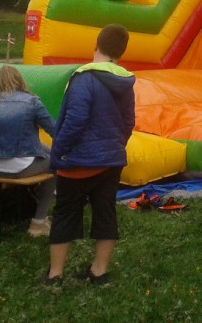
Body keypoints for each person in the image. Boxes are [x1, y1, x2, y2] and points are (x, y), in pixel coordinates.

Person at [46, 24, 135, 287]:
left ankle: (55, 275)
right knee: (105, 212)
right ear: (121, 52)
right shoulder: (124, 81)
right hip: (111, 160)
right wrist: (117, 144)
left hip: (78, 162)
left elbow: (75, 119)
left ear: (95, 46)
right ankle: (99, 272)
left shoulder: (83, 78)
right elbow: (129, 121)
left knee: (65, 214)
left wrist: (58, 152)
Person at [0, 65, 57, 236]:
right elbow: (56, 132)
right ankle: (39, 222)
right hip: (21, 169)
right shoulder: (32, 101)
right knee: (56, 164)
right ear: (20, 80)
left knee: (42, 148)